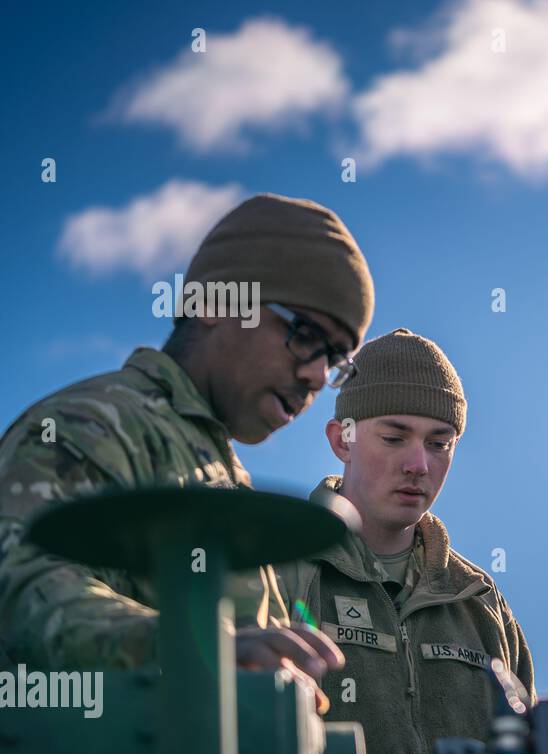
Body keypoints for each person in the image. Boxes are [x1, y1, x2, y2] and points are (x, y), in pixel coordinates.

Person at [0, 194, 373, 705]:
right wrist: (193, 653)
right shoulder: (90, 425)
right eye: (305, 334)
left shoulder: (219, 472)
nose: (314, 374)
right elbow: (25, 586)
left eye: (334, 359)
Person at [276, 329, 536, 754]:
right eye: (394, 437)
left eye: (440, 443)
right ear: (342, 440)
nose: (418, 464)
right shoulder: (279, 571)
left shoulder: (479, 601)